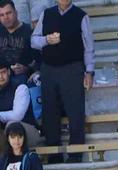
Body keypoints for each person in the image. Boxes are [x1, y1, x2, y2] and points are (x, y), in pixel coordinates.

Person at [31, 0, 95, 158]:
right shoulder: (46, 14)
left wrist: (89, 71)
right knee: (49, 110)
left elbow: (89, 47)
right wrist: (47, 40)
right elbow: (34, 41)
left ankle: (76, 154)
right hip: (49, 68)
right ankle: (54, 154)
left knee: (75, 111)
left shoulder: (81, 16)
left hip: (73, 68)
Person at [0, 1, 36, 86]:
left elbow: (38, 60)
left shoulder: (29, 32)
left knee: (19, 81)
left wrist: (27, 68)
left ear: (16, 12)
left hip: (21, 76)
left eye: (8, 13)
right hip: (2, 74)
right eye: (1, 15)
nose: (6, 17)